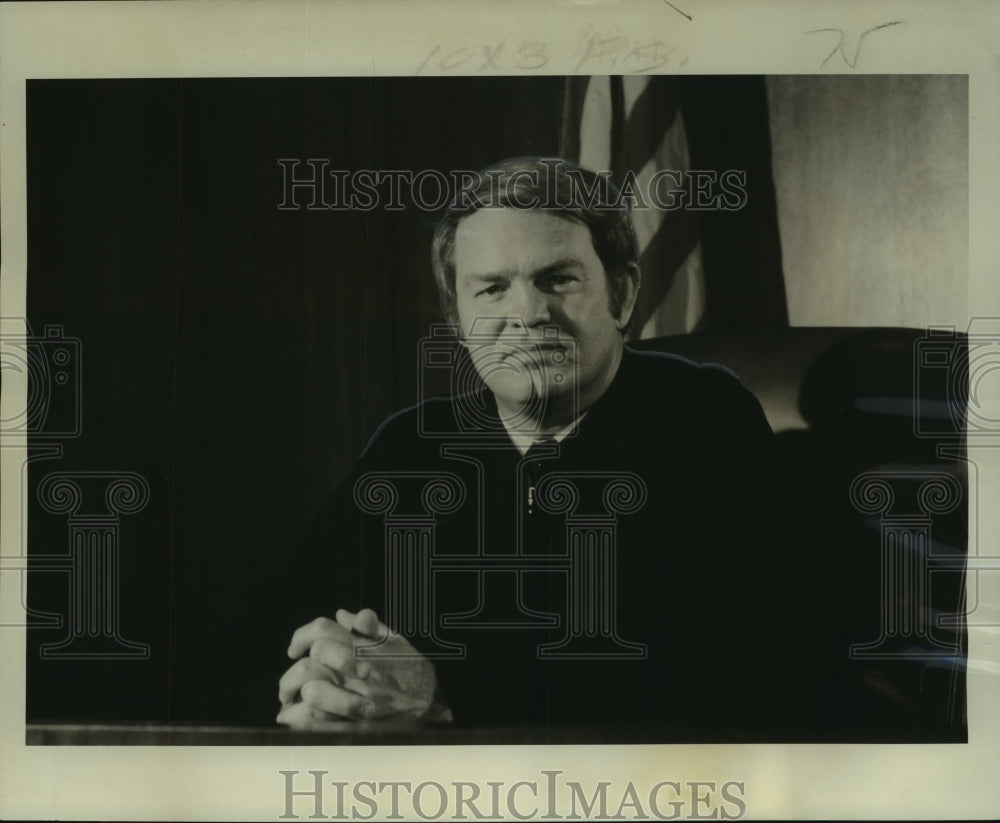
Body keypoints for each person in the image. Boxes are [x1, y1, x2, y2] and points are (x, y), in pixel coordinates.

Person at [277, 157, 792, 741]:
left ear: (621, 295)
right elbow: (276, 627)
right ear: (457, 318)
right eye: (492, 288)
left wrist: (444, 701)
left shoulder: (706, 423)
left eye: (558, 280)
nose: (527, 315)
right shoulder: (412, 444)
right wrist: (320, 679)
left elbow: (727, 678)